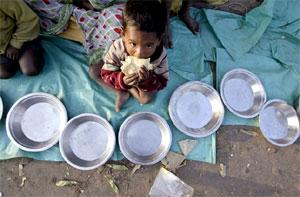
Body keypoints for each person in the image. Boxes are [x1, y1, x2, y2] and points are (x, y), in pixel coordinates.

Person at [90, 0, 169, 112]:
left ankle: (130, 87)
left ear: (159, 40)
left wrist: (146, 81)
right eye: (133, 44)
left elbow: (162, 81)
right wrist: (122, 81)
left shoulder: (160, 55)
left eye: (149, 45)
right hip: (118, 65)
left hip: (147, 79)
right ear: (123, 36)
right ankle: (120, 92)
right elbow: (106, 73)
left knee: (145, 100)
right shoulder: (117, 47)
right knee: (93, 72)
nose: (139, 53)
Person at [0, 0, 43, 79]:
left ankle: (31, 48)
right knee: (4, 73)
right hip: (2, 46)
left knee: (30, 69)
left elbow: (28, 20)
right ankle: (15, 59)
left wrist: (15, 44)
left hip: (21, 35)